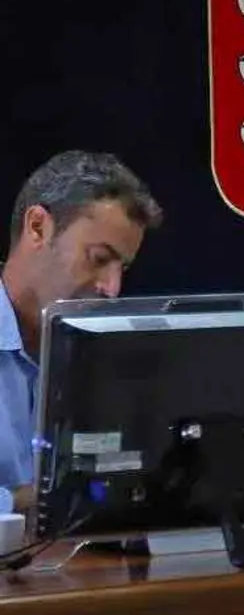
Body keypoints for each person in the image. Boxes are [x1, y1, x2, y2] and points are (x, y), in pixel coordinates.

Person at [0, 151, 163, 506]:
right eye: (99, 259)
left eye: (123, 268)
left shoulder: (95, 361)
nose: (112, 288)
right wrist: (37, 501)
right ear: (38, 227)